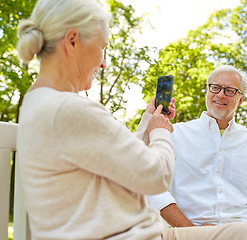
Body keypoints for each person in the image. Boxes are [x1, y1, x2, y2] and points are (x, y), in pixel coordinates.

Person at [16, 0, 176, 239]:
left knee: (243, 231)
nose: (103, 63)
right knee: (246, 233)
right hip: (134, 234)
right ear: (72, 41)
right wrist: (160, 132)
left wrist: (147, 122)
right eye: (102, 47)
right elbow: (157, 176)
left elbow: (120, 160)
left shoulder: (37, 102)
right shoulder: (69, 110)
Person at [148, 65, 247, 238]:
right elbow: (155, 189)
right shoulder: (174, 133)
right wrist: (193, 232)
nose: (220, 94)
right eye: (215, 87)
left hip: (242, 234)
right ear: (207, 91)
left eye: (230, 90)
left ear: (240, 99)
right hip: (185, 234)